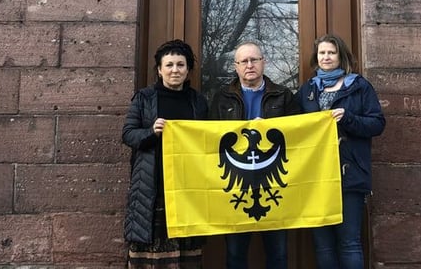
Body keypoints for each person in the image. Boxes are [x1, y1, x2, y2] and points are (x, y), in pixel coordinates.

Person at [295, 34, 386, 269]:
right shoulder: (307, 90)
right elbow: (293, 126)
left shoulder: (359, 86)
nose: (326, 57)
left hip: (350, 174)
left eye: (331, 52)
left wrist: (349, 118)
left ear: (341, 56)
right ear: (316, 57)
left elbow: (377, 124)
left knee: (350, 243)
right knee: (323, 246)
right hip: (315, 177)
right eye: (322, 53)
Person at [209, 41, 301, 269]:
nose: (249, 65)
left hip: (274, 189)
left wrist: (270, 128)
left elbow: (299, 135)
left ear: (263, 63)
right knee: (235, 256)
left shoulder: (284, 95)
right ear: (236, 66)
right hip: (236, 190)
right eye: (244, 61)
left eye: (254, 60)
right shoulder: (221, 98)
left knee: (278, 255)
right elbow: (210, 140)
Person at [122, 39, 209, 269]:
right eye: (169, 65)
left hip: (187, 188)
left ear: (188, 69)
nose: (175, 70)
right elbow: (128, 135)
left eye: (180, 65)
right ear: (159, 69)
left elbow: (208, 140)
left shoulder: (198, 101)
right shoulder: (144, 98)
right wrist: (151, 132)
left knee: (187, 255)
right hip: (152, 188)